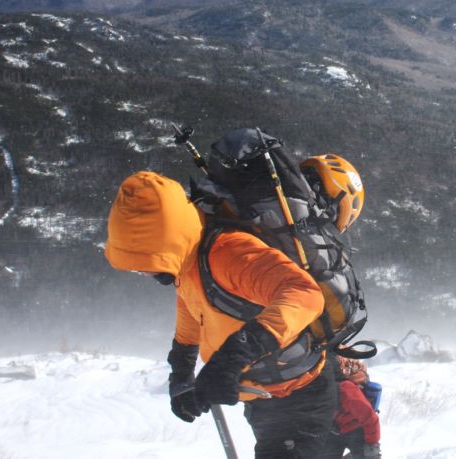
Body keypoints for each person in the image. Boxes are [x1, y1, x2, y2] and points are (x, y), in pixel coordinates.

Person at [105, 138, 367, 459]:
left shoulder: (229, 253)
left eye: (143, 262)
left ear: (166, 242)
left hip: (301, 396)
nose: (142, 273)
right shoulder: (189, 260)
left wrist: (233, 356)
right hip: (264, 399)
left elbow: (304, 295)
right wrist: (182, 375)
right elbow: (192, 310)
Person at [322, 356, 381, 459]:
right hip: (333, 431)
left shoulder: (346, 390)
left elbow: (370, 418)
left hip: (356, 430)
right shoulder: (314, 389)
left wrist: (372, 445)